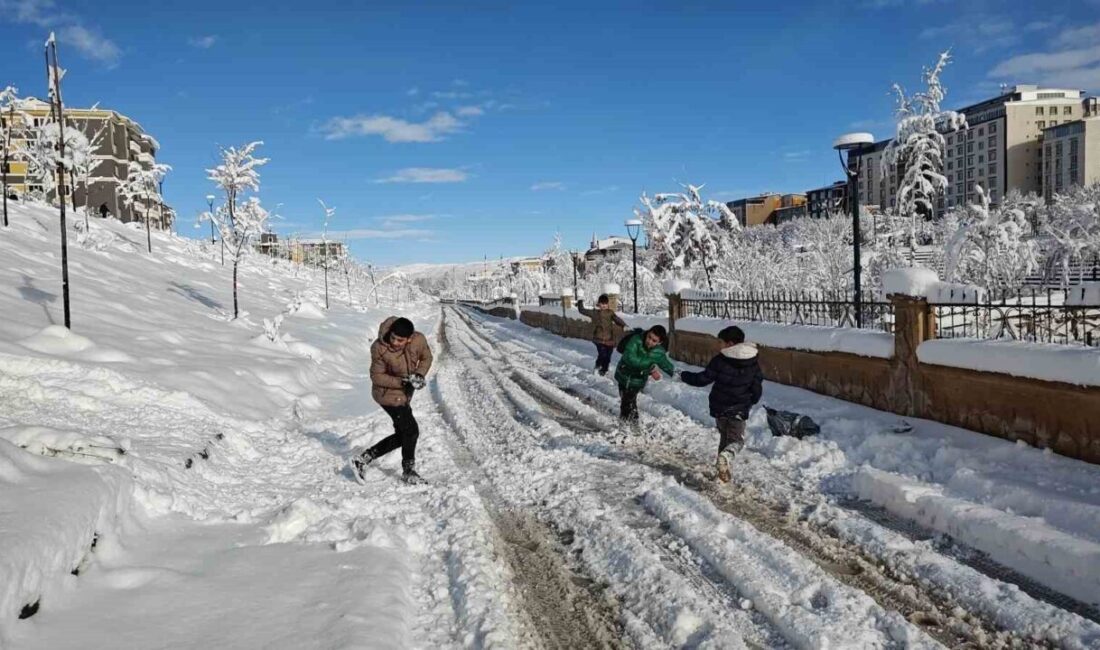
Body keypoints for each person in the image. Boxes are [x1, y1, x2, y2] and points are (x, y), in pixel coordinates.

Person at [349, 316, 433, 484]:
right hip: (386, 394)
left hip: (404, 394)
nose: (394, 342)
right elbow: (376, 376)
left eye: (400, 340)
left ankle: (363, 459)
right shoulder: (379, 347)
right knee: (411, 431)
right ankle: (408, 472)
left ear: (409, 338)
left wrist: (419, 374)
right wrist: (403, 381)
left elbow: (427, 357)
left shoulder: (419, 340)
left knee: (403, 435)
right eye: (393, 337)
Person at [679, 325, 763, 483]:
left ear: (730, 343)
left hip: (720, 408)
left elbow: (702, 379)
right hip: (739, 409)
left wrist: (684, 375)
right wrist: (751, 401)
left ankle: (722, 470)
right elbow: (757, 387)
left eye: (720, 342)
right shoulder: (752, 362)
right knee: (736, 441)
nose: (719, 345)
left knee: (725, 439)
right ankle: (725, 460)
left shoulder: (720, 360)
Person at [614, 324, 674, 424]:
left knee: (628, 402)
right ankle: (628, 423)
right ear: (648, 332)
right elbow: (630, 359)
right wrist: (650, 368)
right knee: (626, 400)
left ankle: (629, 424)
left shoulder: (658, 351)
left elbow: (666, 364)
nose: (649, 341)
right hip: (624, 374)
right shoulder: (636, 340)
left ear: (659, 342)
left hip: (638, 380)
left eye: (654, 340)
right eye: (649, 337)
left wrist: (680, 375)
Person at [576, 294, 626, 376]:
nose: (604, 305)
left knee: (608, 356)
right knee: (602, 354)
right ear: (599, 304)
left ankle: (604, 370)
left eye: (605, 303)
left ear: (608, 304)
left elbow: (617, 319)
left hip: (609, 339)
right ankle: (597, 367)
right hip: (598, 339)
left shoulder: (610, 313)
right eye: (602, 303)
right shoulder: (595, 313)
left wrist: (624, 325)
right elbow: (582, 310)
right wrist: (580, 302)